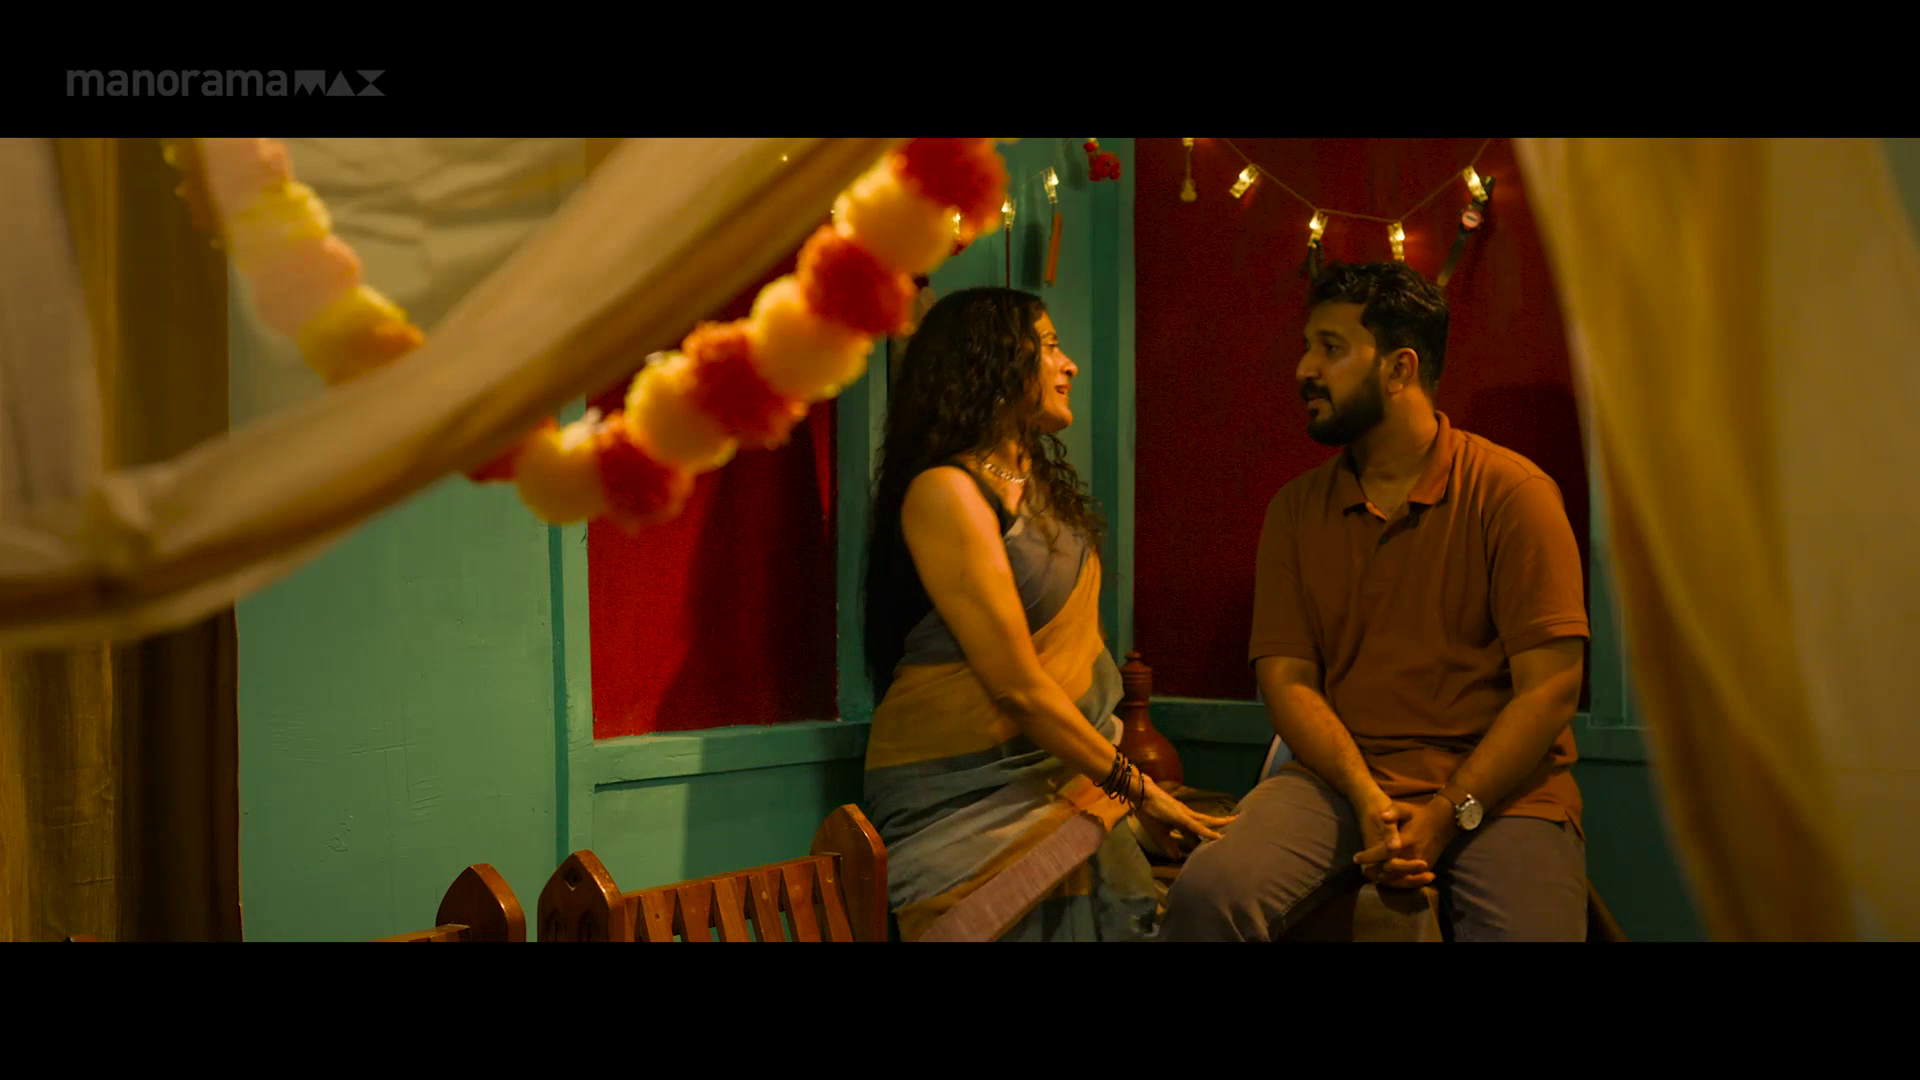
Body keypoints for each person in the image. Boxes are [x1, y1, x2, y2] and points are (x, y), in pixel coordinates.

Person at [1160, 262, 1591, 942]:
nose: (1304, 369)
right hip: (1340, 783)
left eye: (1330, 348)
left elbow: (1551, 688)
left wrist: (1448, 811)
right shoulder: (1295, 511)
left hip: (1500, 795)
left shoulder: (1514, 494)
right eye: (1307, 346)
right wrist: (1364, 796)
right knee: (1206, 895)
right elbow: (1286, 679)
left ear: (1399, 369)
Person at [862, 286, 1233, 942]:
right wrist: (1138, 789)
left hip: (1069, 781)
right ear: (995, 361)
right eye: (1051, 347)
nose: (1071, 365)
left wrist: (1122, 786)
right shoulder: (945, 491)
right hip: (965, 801)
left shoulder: (1040, 488)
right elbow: (1019, 688)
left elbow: (1076, 659)